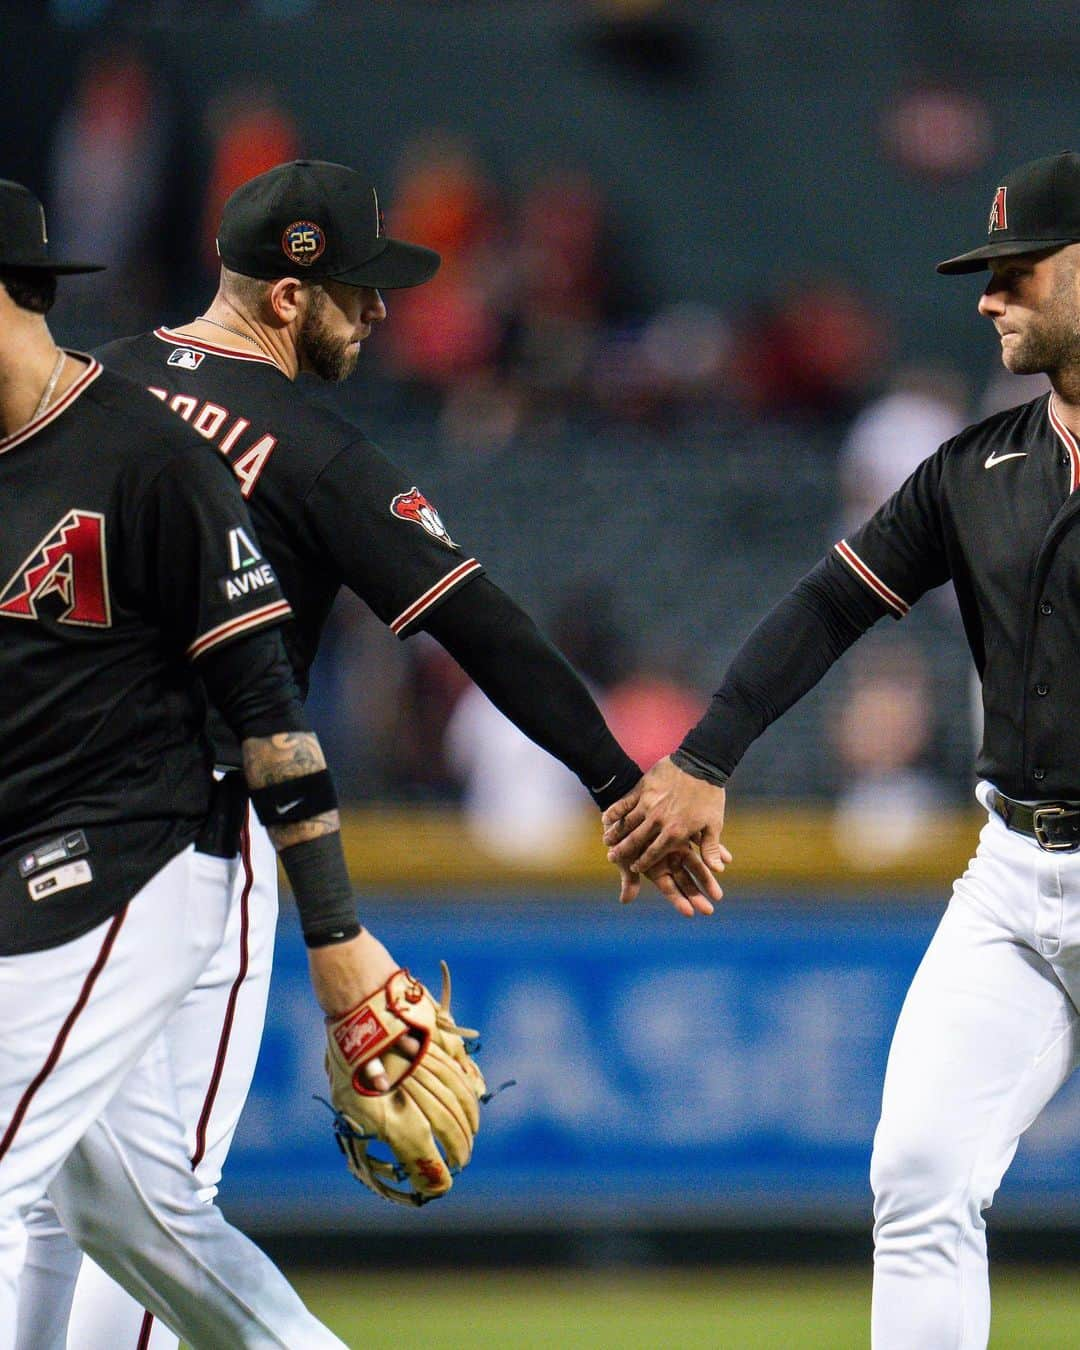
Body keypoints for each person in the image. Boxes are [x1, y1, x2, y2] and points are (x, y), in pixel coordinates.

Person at [18, 158, 719, 1347]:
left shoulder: (101, 384)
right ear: (288, 297)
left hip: (52, 820)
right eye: (356, 289)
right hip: (202, 838)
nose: (380, 312)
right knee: (145, 1199)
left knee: (62, 1194)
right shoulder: (315, 452)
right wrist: (617, 782)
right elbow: (483, 625)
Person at [602, 149, 1080, 1349]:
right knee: (918, 1177)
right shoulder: (980, 469)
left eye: (1015, 273)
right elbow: (830, 604)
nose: (987, 297)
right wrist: (706, 759)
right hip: (1015, 872)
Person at [0, 176, 421, 1348]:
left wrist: (335, 933)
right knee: (134, 1218)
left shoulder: (140, 444)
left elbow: (270, 703)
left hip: (148, 851)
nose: (379, 312)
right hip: (37, 855)